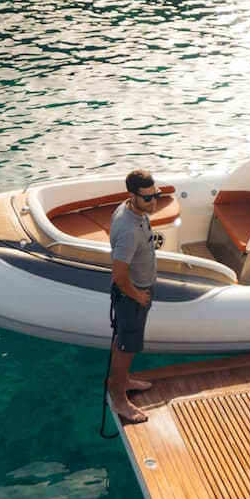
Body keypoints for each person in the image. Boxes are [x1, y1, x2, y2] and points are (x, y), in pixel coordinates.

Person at [107, 168, 160, 424]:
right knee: (126, 348)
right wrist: (138, 296)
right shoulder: (129, 230)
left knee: (123, 343)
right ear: (132, 196)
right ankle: (119, 399)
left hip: (134, 292)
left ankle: (122, 381)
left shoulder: (132, 209)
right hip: (131, 296)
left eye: (155, 195)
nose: (154, 201)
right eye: (148, 197)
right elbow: (119, 274)